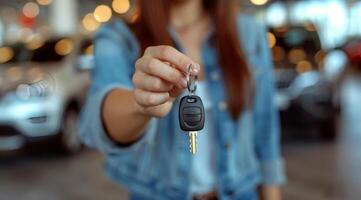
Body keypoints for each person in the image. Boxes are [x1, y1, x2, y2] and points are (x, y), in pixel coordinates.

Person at [79, 0, 285, 199]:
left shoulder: (250, 34)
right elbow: (101, 112)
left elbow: (265, 131)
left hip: (242, 193)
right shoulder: (119, 37)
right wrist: (140, 103)